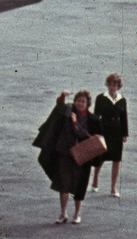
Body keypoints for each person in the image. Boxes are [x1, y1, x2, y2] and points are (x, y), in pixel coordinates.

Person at [42, 90, 103, 224]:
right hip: (66, 153)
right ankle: (63, 213)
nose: (80, 103)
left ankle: (77, 214)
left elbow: (91, 137)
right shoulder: (68, 113)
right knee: (63, 184)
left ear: (88, 104)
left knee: (80, 185)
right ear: (74, 102)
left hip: (83, 155)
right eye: (78, 101)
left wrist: (75, 123)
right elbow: (59, 107)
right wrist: (63, 96)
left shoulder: (93, 119)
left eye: (83, 101)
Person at [91, 72, 129, 197]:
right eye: (110, 85)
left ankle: (113, 187)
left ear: (118, 86)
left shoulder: (122, 100)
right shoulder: (101, 98)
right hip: (104, 131)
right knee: (101, 158)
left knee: (116, 160)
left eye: (115, 85)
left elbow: (124, 117)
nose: (112, 87)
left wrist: (125, 134)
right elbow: (96, 116)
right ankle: (95, 179)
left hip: (117, 132)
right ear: (107, 85)